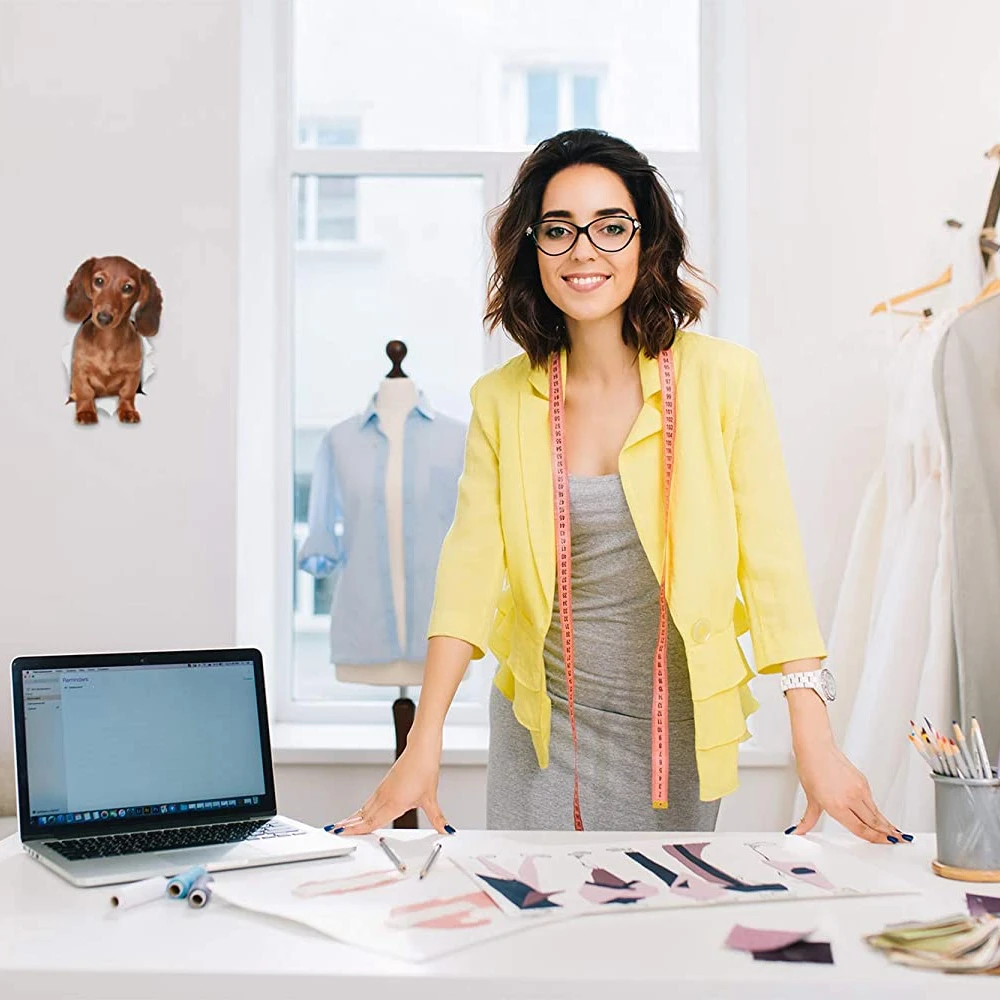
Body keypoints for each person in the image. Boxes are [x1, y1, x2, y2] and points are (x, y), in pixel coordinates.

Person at [332, 128, 905, 843]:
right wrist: (424, 741)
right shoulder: (502, 400)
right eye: (558, 229)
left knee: (664, 913)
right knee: (533, 912)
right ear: (532, 248)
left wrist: (813, 740)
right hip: (542, 730)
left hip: (674, 729)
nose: (584, 251)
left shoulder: (722, 381)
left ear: (646, 240)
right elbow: (469, 573)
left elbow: (773, 567)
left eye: (610, 227)